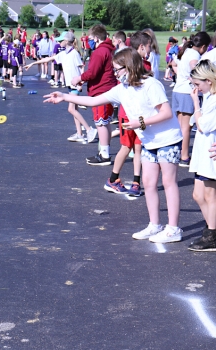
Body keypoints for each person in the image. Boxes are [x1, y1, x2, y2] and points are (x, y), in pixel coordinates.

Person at [44, 47, 183, 244]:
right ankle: (154, 225)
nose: (115, 74)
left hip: (168, 139)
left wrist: (139, 123)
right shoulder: (122, 89)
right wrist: (66, 97)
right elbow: (93, 101)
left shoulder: (151, 85)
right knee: (149, 183)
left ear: (130, 67)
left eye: (118, 69)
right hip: (150, 141)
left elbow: (167, 113)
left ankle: (173, 229)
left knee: (168, 183)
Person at [24, 31, 97, 143]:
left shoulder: (74, 54)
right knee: (74, 110)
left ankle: (89, 129)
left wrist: (80, 83)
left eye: (61, 40)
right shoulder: (63, 54)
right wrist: (32, 64)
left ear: (67, 41)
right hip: (69, 85)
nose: (58, 42)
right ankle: (79, 134)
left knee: (71, 109)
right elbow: (48, 59)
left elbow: (81, 68)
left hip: (75, 86)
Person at [104, 31, 152, 196]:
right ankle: (113, 178)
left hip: (139, 115)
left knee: (138, 147)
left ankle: (136, 182)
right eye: (148, 47)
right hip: (127, 113)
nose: (150, 50)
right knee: (127, 146)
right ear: (141, 47)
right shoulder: (129, 65)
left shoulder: (145, 65)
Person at [71, 24, 117, 166]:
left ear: (96, 38)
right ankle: (105, 151)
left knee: (101, 122)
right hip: (107, 88)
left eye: (90, 38)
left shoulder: (100, 52)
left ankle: (104, 155)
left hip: (101, 89)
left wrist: (79, 78)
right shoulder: (109, 50)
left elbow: (93, 72)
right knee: (105, 122)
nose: (89, 41)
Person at [171, 31, 211, 167]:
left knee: (179, 125)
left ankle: (178, 152)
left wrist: (183, 76)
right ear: (203, 46)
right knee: (186, 126)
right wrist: (195, 80)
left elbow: (173, 64)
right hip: (187, 92)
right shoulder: (195, 55)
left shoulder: (185, 51)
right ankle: (184, 156)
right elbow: (194, 67)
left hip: (177, 90)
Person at [188, 60, 216, 251]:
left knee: (209, 195)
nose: (195, 88)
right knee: (198, 195)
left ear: (209, 80)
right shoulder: (208, 96)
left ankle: (211, 234)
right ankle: (212, 230)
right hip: (202, 150)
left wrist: (195, 105)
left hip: (211, 152)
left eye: (197, 84)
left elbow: (202, 124)